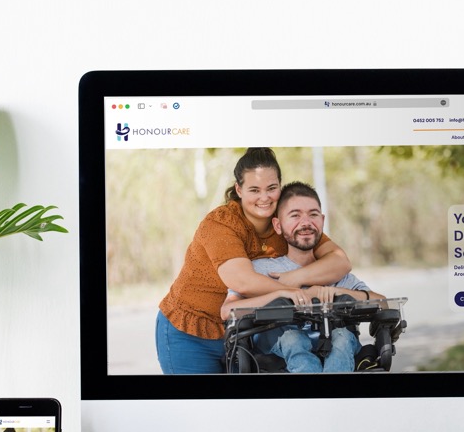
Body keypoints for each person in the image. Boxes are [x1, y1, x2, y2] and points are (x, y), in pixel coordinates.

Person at [156, 148, 352, 374]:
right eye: (254, 190)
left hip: (247, 331)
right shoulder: (221, 223)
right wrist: (290, 291)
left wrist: (295, 278)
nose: (264, 197)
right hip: (190, 332)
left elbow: (340, 262)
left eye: (272, 188)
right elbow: (242, 281)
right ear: (239, 189)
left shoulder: (287, 221)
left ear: (280, 186)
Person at [220, 182, 385, 373]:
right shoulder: (261, 270)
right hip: (277, 358)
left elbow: (382, 302)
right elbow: (227, 311)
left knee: (342, 336)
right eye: (295, 215)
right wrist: (281, 293)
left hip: (337, 351)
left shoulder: (334, 273)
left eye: (313, 214)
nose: (306, 223)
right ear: (278, 225)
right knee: (293, 339)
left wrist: (335, 292)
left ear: (322, 221)